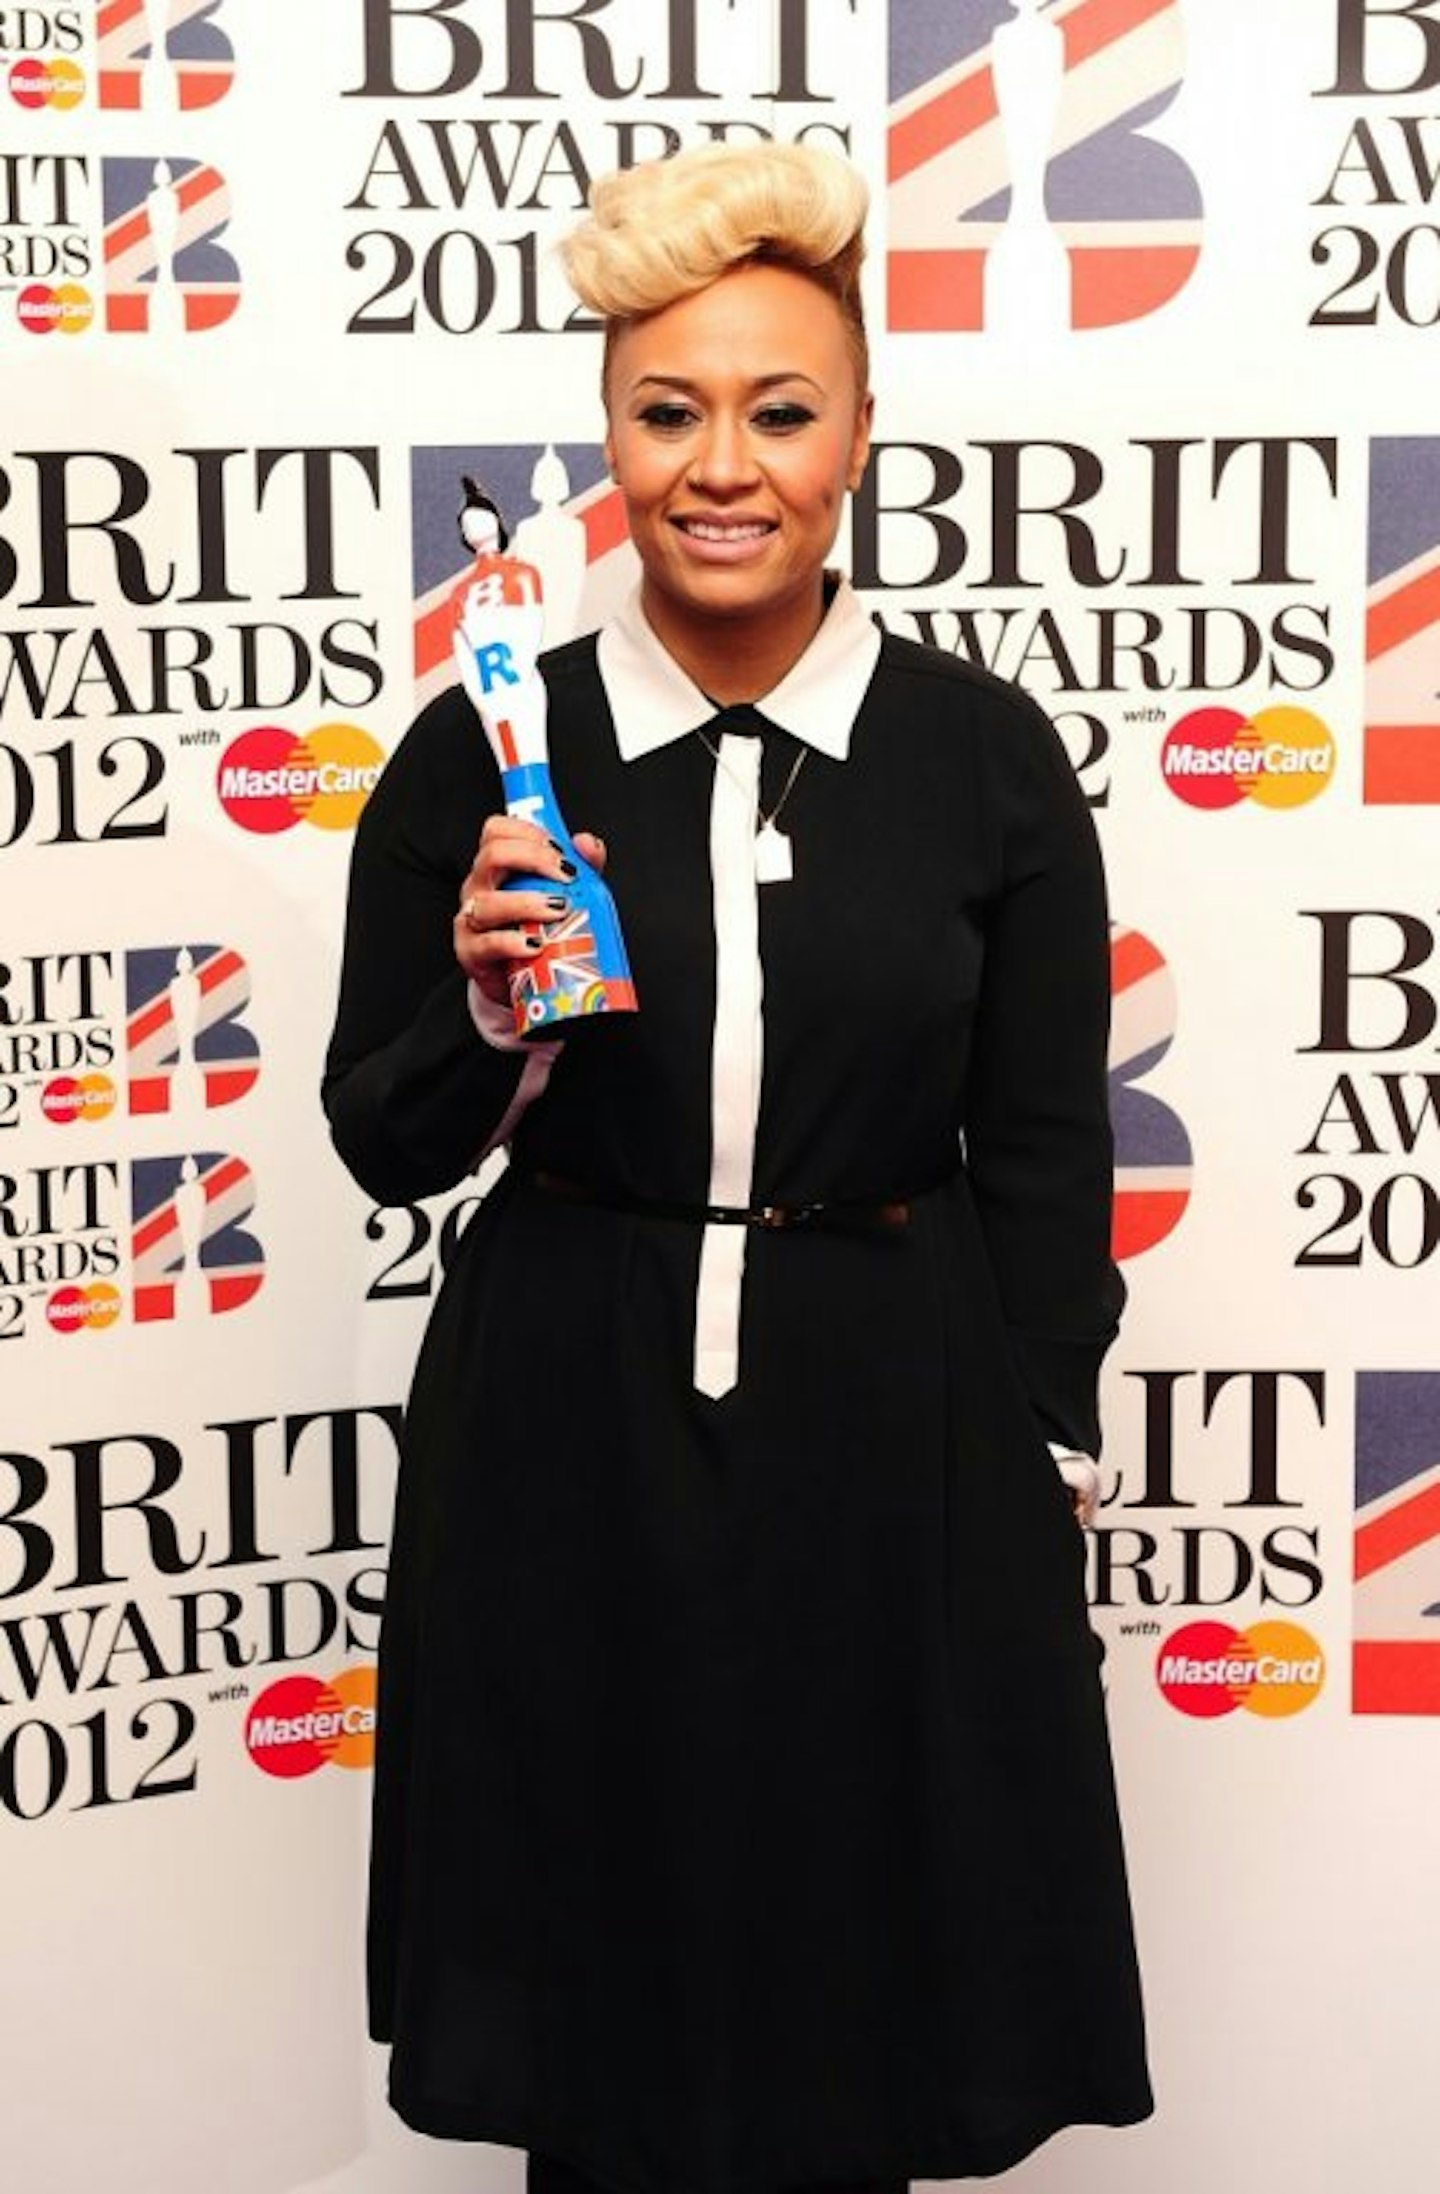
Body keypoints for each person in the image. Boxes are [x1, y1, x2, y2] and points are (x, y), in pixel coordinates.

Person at [323, 140, 1152, 2194]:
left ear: (862, 431)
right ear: (606, 431)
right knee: (593, 1963)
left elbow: (1046, 1143)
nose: (722, 464)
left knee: (860, 1971)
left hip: (900, 1413)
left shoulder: (983, 754)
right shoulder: (486, 751)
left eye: (781, 411)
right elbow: (380, 1132)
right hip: (562, 1415)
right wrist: (496, 1007)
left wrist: (1037, 1431)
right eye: (666, 409)